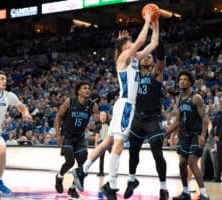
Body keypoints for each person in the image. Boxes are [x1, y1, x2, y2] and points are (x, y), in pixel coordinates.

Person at [72, 10, 159, 200]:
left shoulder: (133, 58)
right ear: (125, 46)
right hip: (127, 105)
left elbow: (154, 43)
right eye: (130, 41)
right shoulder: (124, 58)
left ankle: (82, 171)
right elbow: (140, 42)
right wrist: (145, 21)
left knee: (108, 142)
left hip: (124, 105)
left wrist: (155, 24)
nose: (133, 41)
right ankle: (110, 185)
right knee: (118, 146)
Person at [123, 40, 169, 200]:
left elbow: (161, 61)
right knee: (133, 153)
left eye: (150, 56)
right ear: (139, 59)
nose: (148, 58)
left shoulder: (155, 72)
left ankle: (163, 188)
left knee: (157, 154)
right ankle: (131, 180)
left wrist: (158, 43)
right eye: (145, 56)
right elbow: (123, 60)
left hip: (153, 119)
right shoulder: (133, 74)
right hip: (137, 118)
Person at [166, 70, 210, 200]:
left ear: (190, 82)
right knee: (181, 163)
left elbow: (205, 118)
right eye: (180, 80)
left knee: (191, 162)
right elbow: (177, 121)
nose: (182, 81)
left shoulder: (196, 98)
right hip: (184, 136)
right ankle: (185, 192)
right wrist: (167, 134)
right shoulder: (180, 98)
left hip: (196, 134)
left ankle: (204, 194)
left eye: (185, 79)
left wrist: (202, 135)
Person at [54, 81, 99, 199]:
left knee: (83, 166)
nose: (88, 90)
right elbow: (58, 116)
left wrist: (96, 126)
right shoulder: (70, 101)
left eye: (89, 88)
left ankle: (72, 188)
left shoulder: (92, 105)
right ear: (78, 91)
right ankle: (59, 177)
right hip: (67, 135)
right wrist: (57, 134)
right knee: (70, 161)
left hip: (80, 137)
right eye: (85, 88)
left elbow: (98, 121)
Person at [95, 111, 110, 176]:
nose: (103, 117)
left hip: (109, 142)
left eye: (104, 115)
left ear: (106, 116)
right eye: (101, 116)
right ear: (100, 117)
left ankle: (113, 172)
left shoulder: (110, 124)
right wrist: (96, 145)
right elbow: (97, 135)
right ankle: (101, 172)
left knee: (113, 156)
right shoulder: (98, 125)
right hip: (102, 143)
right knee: (101, 158)